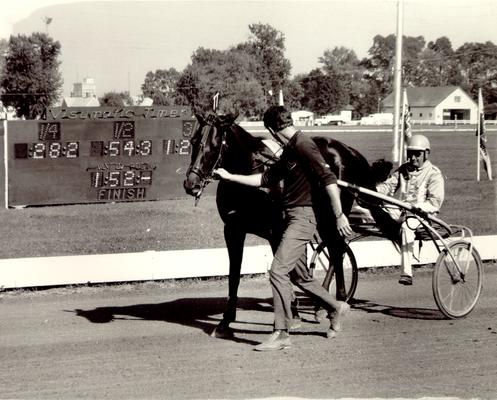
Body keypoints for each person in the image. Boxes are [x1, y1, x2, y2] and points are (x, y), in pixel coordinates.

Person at [214, 105, 352, 351]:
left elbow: (330, 182)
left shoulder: (304, 145)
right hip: (289, 218)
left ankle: (281, 332)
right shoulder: (290, 150)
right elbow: (265, 179)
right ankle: (336, 307)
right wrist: (230, 177)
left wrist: (340, 216)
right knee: (299, 276)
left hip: (302, 218)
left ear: (272, 129)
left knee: (278, 271)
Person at [376, 134, 444, 286]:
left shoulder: (434, 173)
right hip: (402, 211)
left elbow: (435, 202)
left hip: (423, 216)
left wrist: (416, 208)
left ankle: (406, 273)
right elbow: (388, 187)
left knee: (407, 226)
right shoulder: (403, 170)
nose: (413, 158)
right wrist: (373, 190)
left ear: (427, 153)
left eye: (417, 154)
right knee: (369, 209)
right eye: (410, 154)